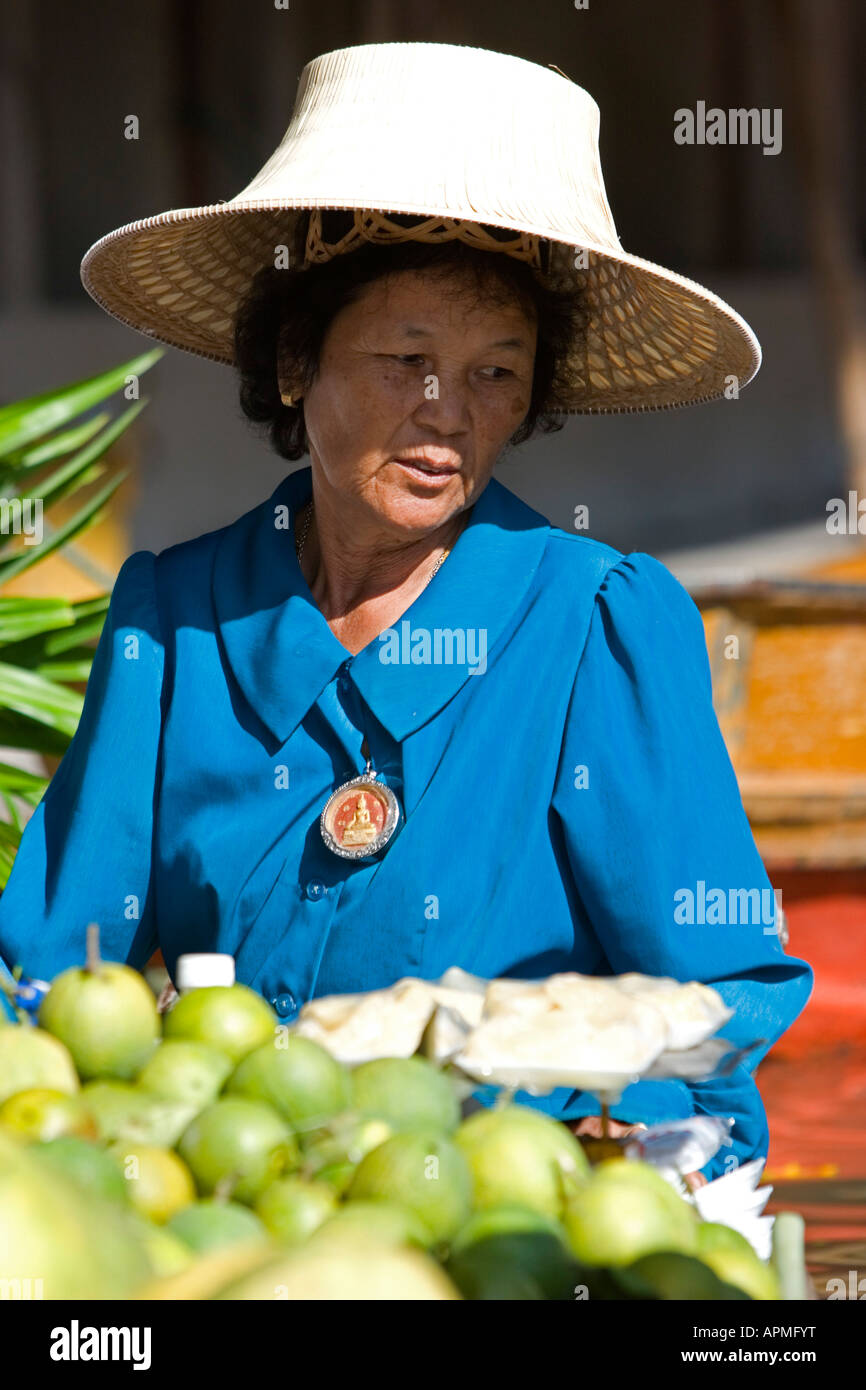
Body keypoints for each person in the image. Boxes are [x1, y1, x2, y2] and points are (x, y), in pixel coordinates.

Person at [0, 42, 812, 1183]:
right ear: (295, 360)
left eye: (495, 372)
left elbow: (712, 1007)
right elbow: (48, 970)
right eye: (405, 357)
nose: (448, 414)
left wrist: (571, 1128)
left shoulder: (595, 627)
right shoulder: (173, 621)